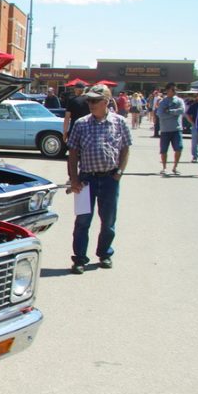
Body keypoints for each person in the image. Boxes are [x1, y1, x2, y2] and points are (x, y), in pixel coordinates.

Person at [66, 85, 132, 274]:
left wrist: (119, 172)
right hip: (86, 180)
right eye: (89, 100)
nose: (90, 104)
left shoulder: (119, 122)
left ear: (106, 102)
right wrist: (74, 179)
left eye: (94, 100)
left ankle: (104, 254)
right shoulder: (81, 123)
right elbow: (72, 153)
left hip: (110, 179)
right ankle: (79, 259)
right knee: (82, 222)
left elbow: (126, 148)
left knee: (108, 221)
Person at [154, 82, 186, 175]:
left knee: (179, 148)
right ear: (167, 90)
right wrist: (173, 114)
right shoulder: (163, 102)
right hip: (165, 130)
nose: (174, 91)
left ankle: (175, 167)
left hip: (177, 129)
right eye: (173, 89)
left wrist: (169, 111)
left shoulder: (179, 101)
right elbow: (160, 114)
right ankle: (164, 168)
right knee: (164, 150)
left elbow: (182, 110)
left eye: (175, 89)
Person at [184, 92, 198, 163]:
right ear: (197, 97)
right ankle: (195, 156)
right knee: (194, 142)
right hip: (196, 125)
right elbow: (187, 114)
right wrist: (192, 123)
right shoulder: (194, 105)